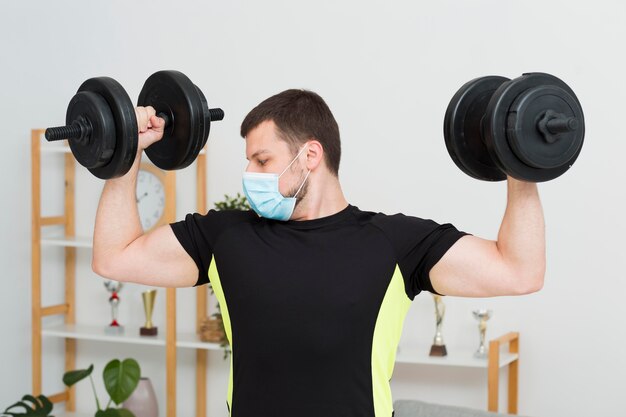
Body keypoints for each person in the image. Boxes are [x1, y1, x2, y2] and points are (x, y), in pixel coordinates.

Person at [92, 89, 545, 417]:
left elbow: (518, 271)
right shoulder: (225, 238)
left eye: (263, 160)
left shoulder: (394, 243)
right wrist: (128, 152)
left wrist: (519, 162)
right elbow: (115, 257)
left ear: (310, 154)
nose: (250, 173)